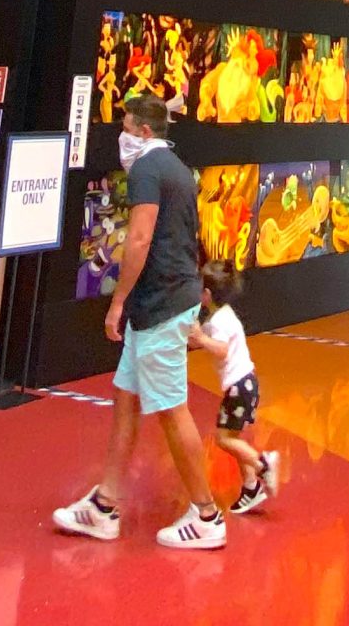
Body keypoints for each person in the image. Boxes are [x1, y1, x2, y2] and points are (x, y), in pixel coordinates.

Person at [53, 94, 224, 551]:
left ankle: (207, 515)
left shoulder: (147, 169)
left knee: (170, 408)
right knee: (126, 398)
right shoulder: (178, 169)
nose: (122, 135)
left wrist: (117, 301)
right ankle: (104, 505)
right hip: (162, 301)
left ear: (144, 131)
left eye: (126, 127)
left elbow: (141, 237)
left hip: (160, 304)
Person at [189, 260, 279, 516]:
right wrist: (195, 335)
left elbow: (221, 349)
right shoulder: (222, 315)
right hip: (245, 384)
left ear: (207, 294)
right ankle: (250, 487)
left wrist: (201, 338)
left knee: (224, 439)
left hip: (239, 387)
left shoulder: (218, 322)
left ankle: (263, 464)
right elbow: (198, 341)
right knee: (233, 436)